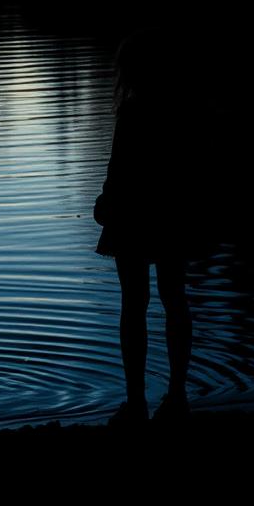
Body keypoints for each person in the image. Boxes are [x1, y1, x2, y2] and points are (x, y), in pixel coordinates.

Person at [94, 29, 219, 427]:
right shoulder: (180, 112)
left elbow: (120, 169)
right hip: (171, 215)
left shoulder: (132, 112)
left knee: (134, 306)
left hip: (133, 217)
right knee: (174, 300)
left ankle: (135, 402)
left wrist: (105, 204)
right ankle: (177, 395)